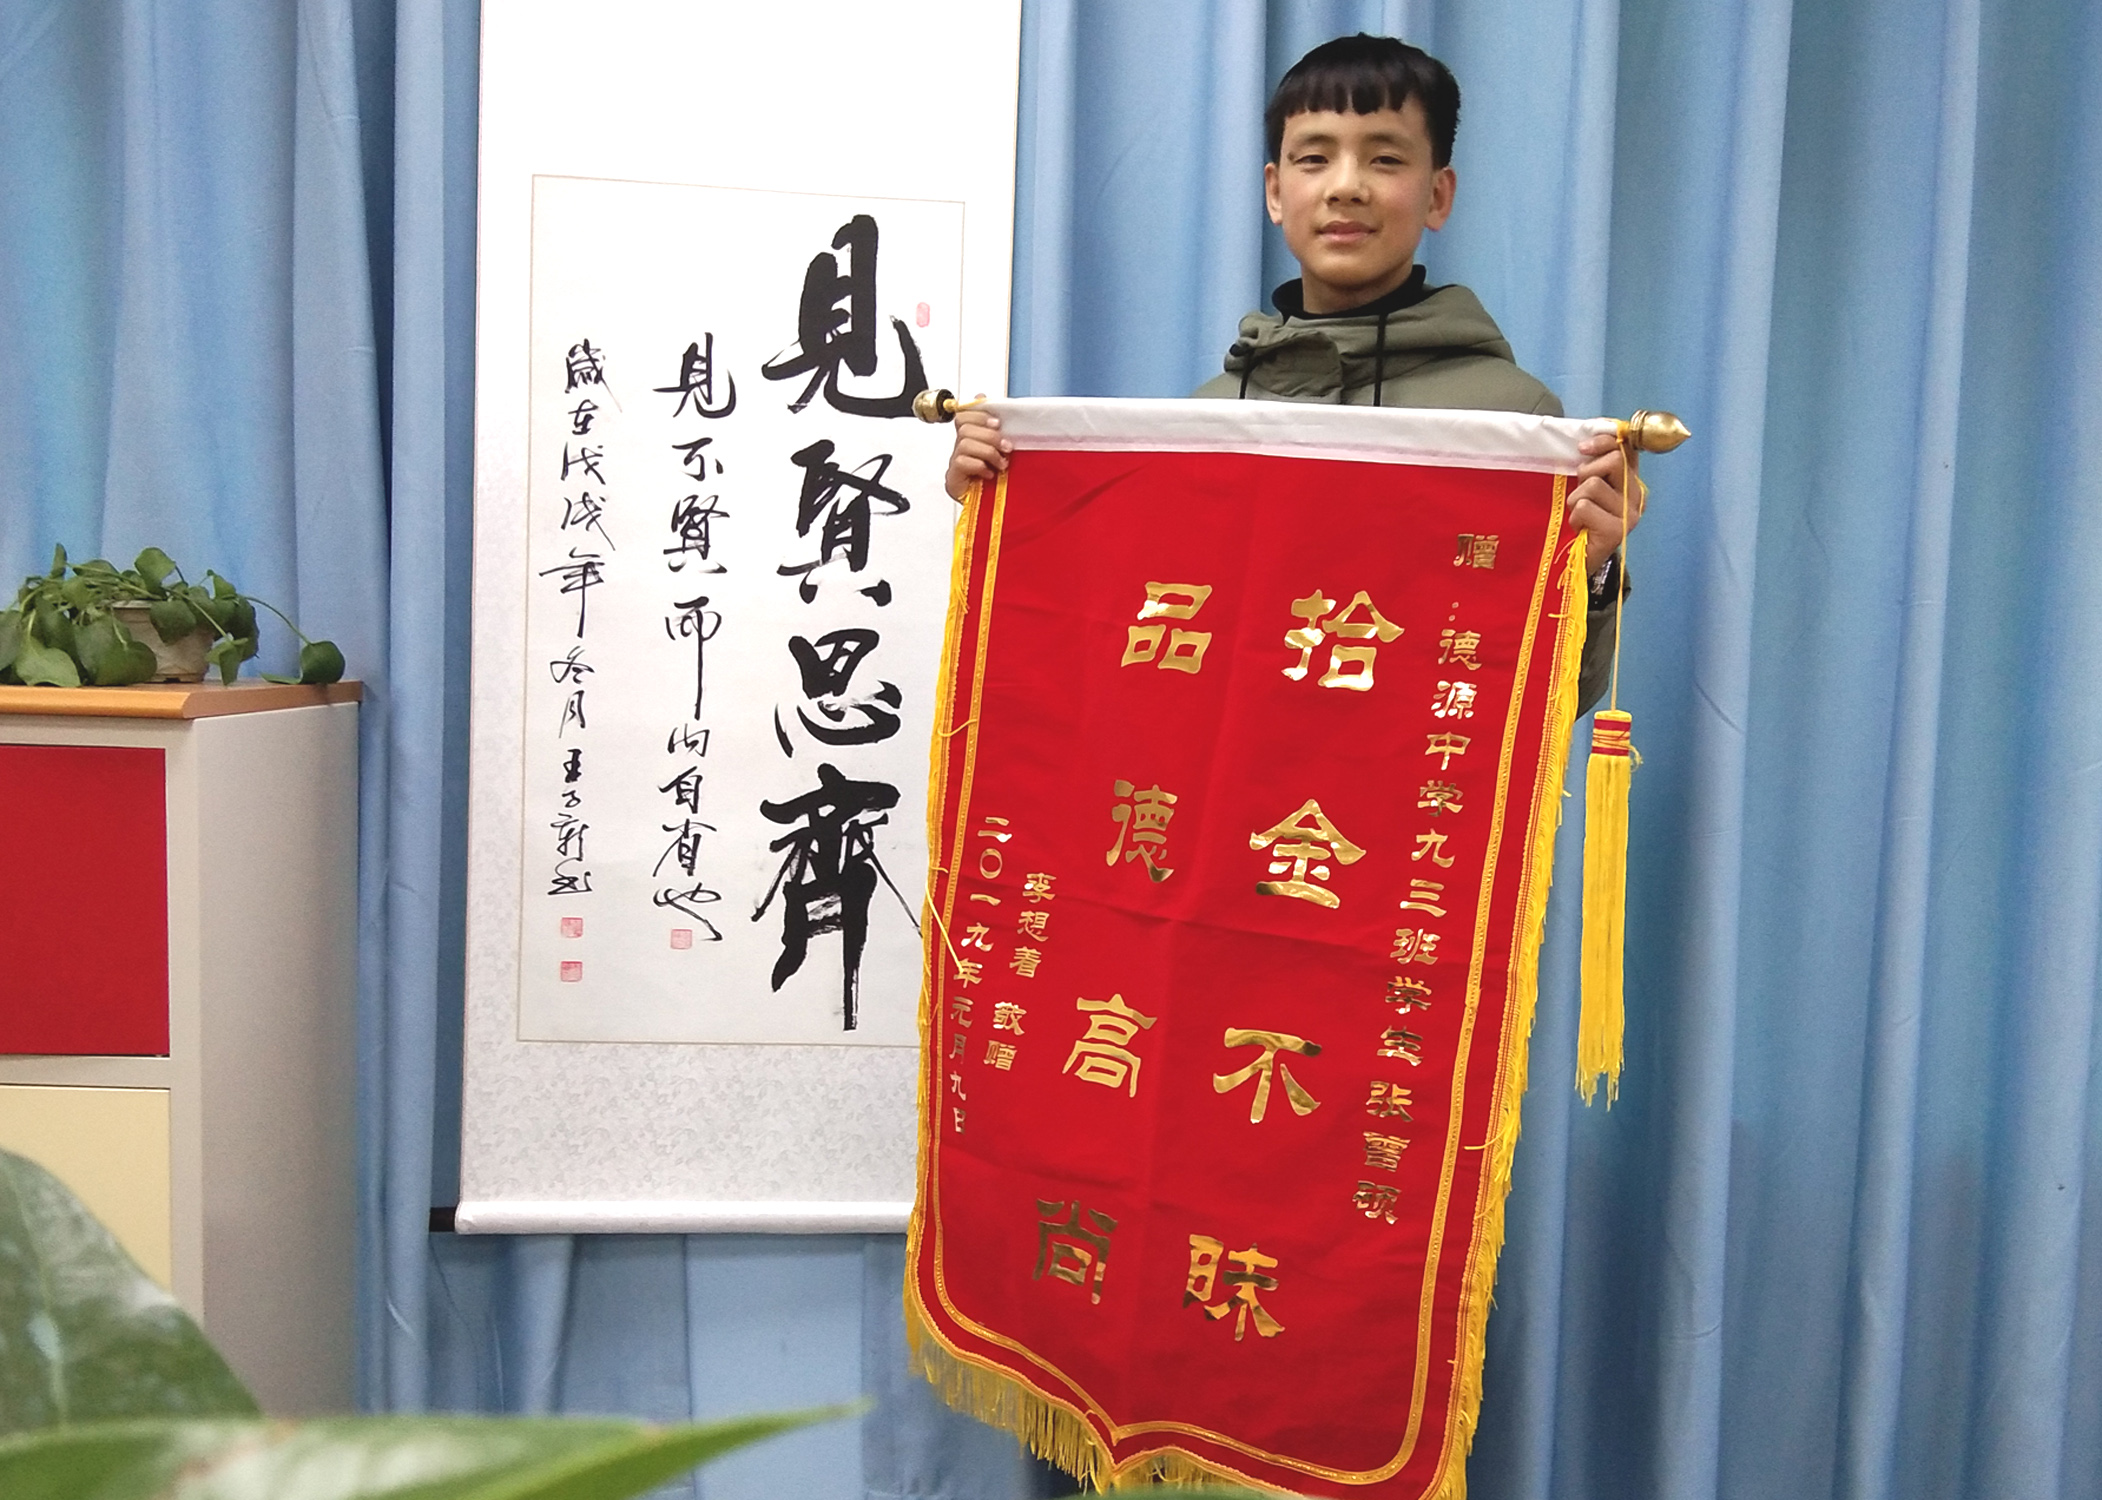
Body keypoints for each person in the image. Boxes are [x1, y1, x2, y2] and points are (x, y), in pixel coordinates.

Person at [944, 34, 1641, 714]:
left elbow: (1546, 704)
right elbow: (1114, 640)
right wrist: (1003, 503)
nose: (1346, 187)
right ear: (1276, 192)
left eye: (1385, 159)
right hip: (1222, 788)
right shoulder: (1203, 420)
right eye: (1314, 158)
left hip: (1400, 789)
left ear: (1437, 194)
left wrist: (1597, 565)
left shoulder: (1513, 423)